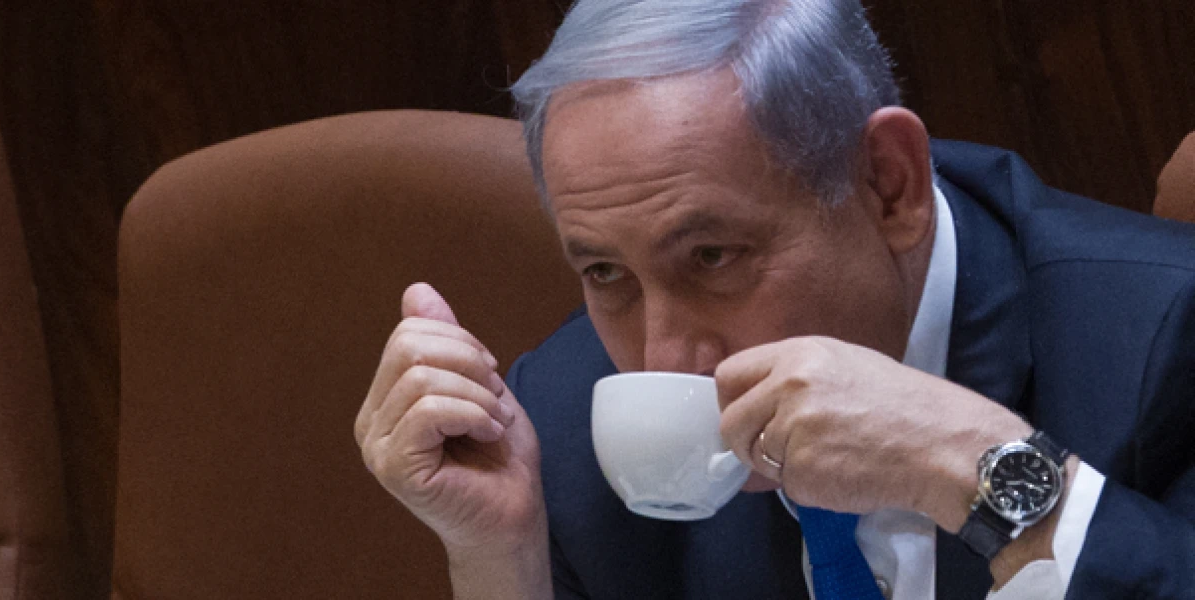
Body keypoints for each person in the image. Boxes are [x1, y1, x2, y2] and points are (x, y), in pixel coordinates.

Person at [353, 0, 1195, 598]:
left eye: (713, 256)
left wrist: (979, 465)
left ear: (886, 184)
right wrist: (500, 561)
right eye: (606, 273)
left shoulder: (1166, 339)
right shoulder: (566, 428)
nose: (664, 358)